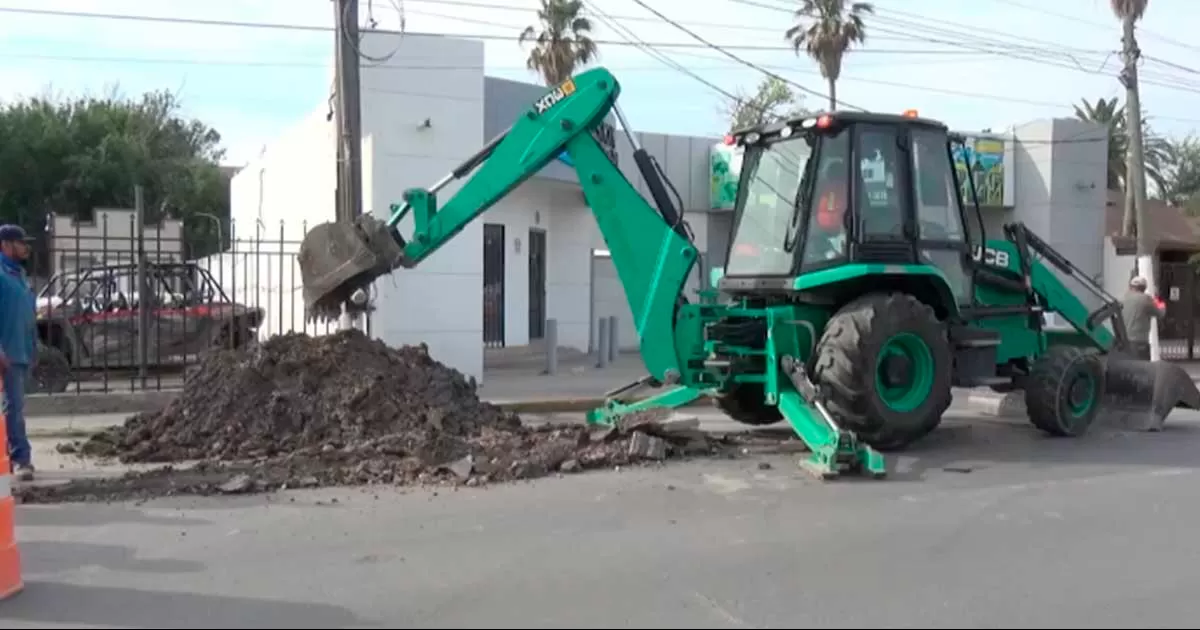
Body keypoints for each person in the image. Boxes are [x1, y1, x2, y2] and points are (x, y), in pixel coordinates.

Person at [0, 225, 37, 481]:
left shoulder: (19, 274)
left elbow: (27, 314)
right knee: (13, 407)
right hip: (6, 352)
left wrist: (33, 347)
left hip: (20, 350)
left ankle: (13, 456)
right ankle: (20, 458)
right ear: (6, 244)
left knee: (15, 406)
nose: (25, 247)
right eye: (20, 242)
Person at [1121, 275, 1166, 361]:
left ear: (1131, 286)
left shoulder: (1123, 298)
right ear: (1144, 288)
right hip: (1139, 341)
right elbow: (1161, 314)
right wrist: (1159, 301)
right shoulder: (1145, 299)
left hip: (1123, 341)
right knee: (1142, 368)